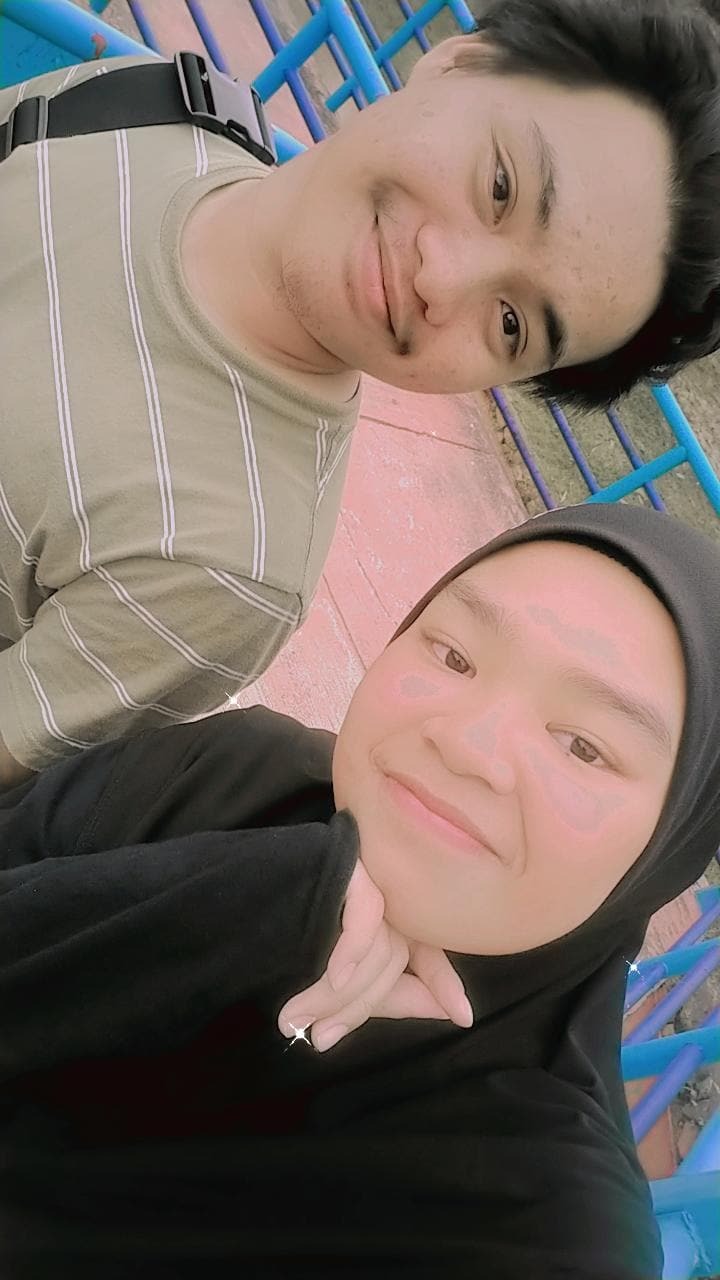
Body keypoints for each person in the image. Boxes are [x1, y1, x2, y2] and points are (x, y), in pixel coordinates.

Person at [2, 0, 720, 790]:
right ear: (459, 63)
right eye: (500, 186)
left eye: (511, 323)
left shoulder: (223, 564)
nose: (442, 278)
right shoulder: (148, 104)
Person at [3, 500, 720, 1279]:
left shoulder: (554, 1228)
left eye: (582, 746)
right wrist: (235, 906)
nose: (468, 744)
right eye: (454, 656)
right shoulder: (233, 771)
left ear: (670, 845)